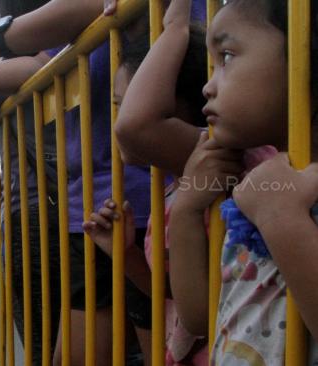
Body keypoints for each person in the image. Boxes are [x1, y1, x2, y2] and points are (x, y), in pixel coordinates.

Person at [168, 0, 318, 364]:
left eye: (228, 56)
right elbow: (201, 317)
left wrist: (283, 220)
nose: (208, 86)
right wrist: (188, 208)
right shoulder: (261, 187)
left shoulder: (278, 199)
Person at [83, 1, 210, 363]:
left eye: (129, 104)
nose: (119, 122)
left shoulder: (217, 158)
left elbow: (135, 128)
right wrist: (126, 254)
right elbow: (176, 294)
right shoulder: (172, 190)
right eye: (118, 105)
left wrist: (175, 27)